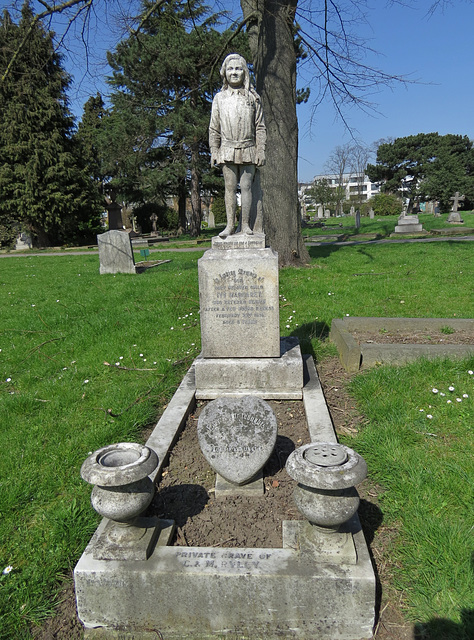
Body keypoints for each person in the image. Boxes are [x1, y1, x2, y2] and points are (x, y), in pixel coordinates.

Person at [209, 53, 266, 238]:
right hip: (227, 149)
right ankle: (229, 226)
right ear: (224, 72)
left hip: (248, 148)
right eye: (230, 69)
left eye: (238, 68)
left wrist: (260, 150)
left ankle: (246, 226)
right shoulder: (219, 98)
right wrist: (214, 150)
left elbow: (260, 126)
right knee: (230, 187)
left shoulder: (253, 97)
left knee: (247, 187)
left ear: (245, 72)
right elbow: (214, 127)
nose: (234, 72)